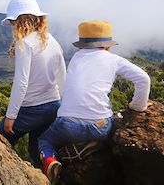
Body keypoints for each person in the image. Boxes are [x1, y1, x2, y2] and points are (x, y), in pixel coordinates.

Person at [38, 20, 151, 185]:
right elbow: (144, 79)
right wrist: (137, 106)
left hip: (66, 125)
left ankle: (50, 160)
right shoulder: (113, 60)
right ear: (108, 46)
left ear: (81, 45)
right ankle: (94, 143)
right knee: (113, 121)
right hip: (99, 126)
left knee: (45, 140)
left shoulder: (76, 58)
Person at [0, 0, 66, 167]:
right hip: (53, 106)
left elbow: (21, 82)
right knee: (37, 151)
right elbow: (62, 76)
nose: (12, 26)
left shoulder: (25, 44)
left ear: (20, 21)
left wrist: (11, 116)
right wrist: (64, 106)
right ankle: (47, 168)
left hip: (31, 109)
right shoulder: (52, 40)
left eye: (13, 21)